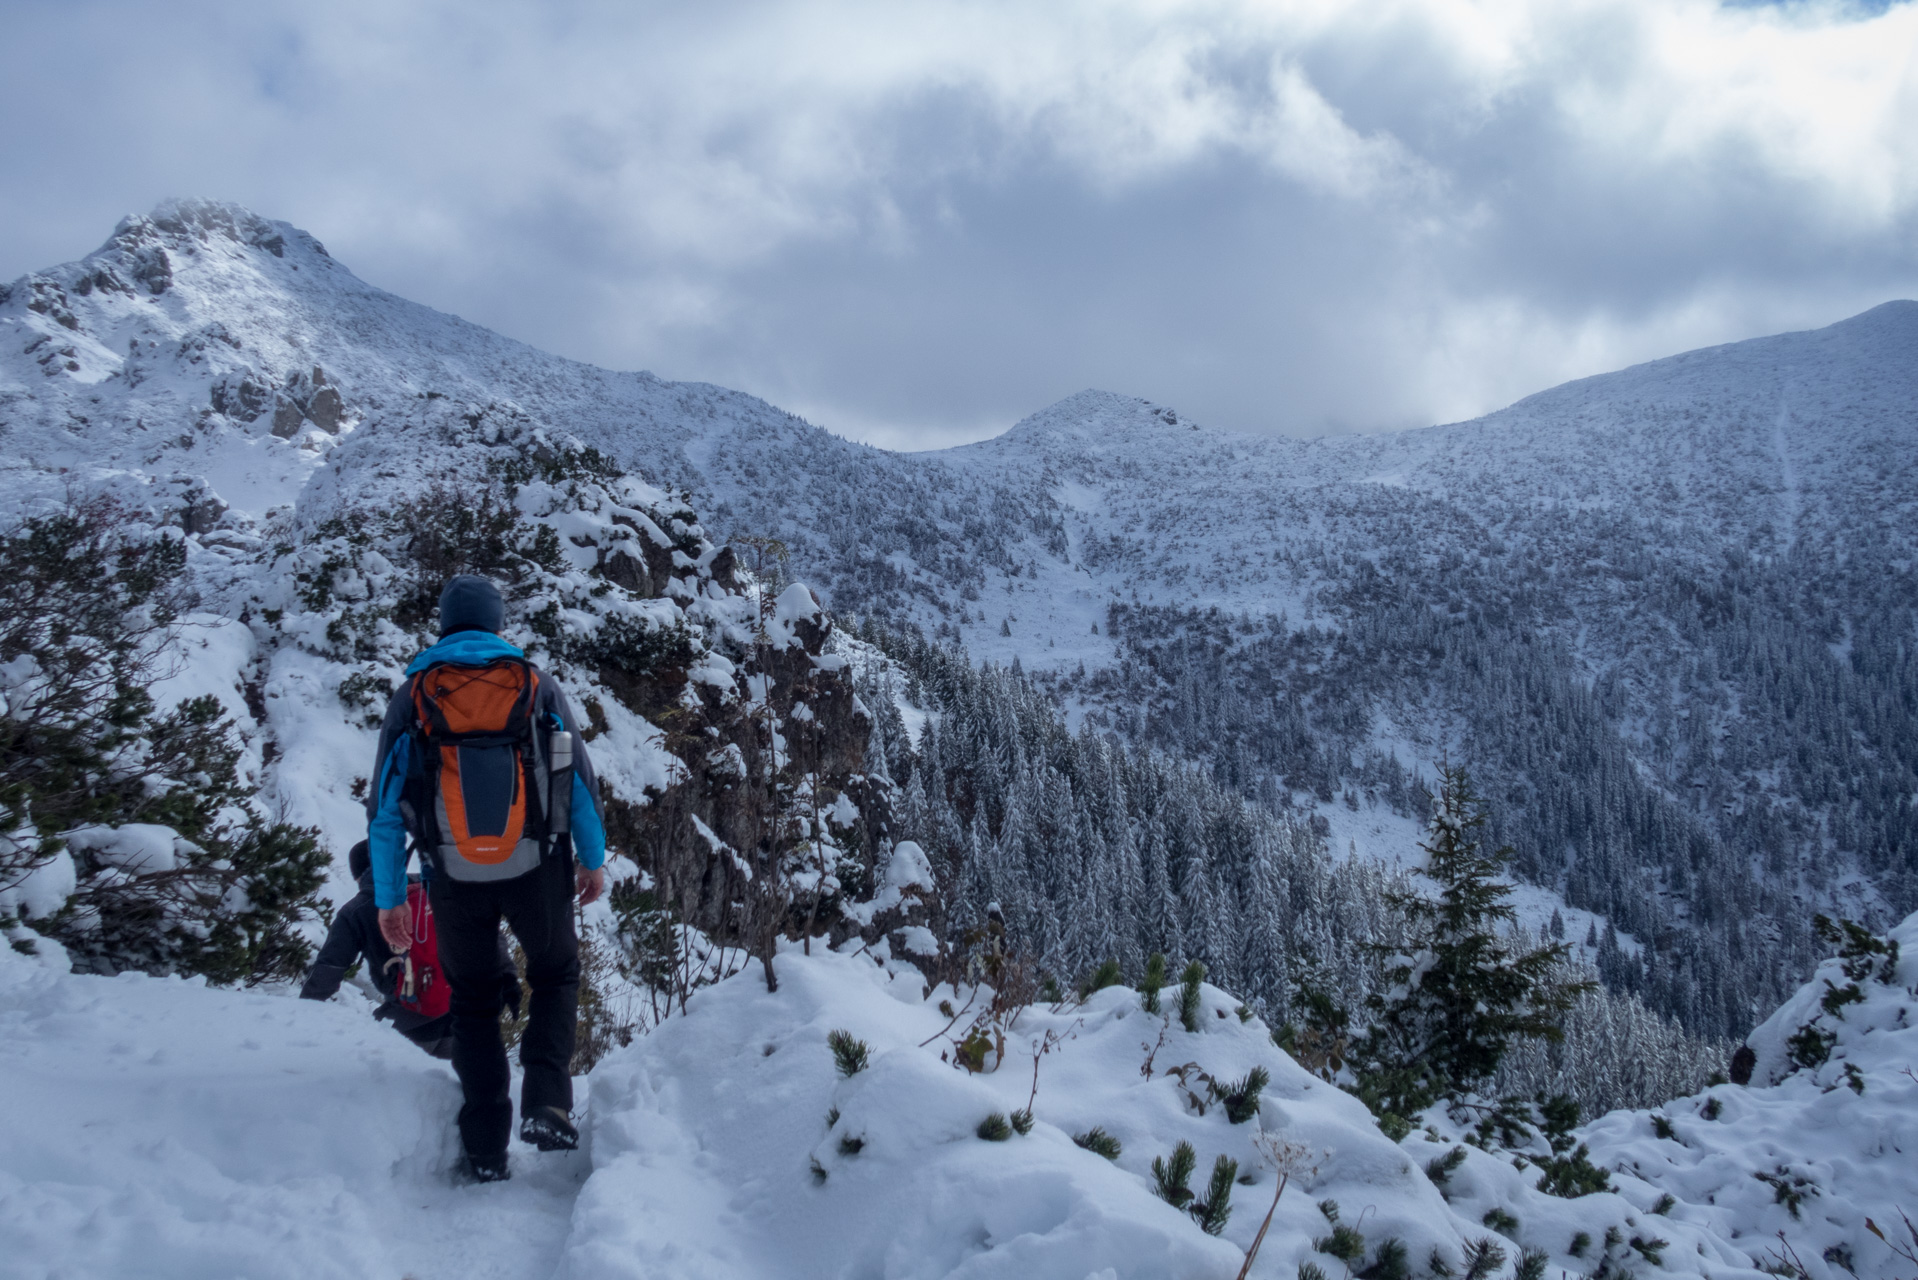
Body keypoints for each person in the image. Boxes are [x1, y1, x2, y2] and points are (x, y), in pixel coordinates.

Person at [366, 574, 608, 1183]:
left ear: (445, 625)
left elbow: (386, 810)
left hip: (450, 876)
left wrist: (391, 898)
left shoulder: (415, 696)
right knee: (556, 974)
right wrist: (591, 858)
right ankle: (548, 1102)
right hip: (536, 867)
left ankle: (483, 1148)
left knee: (473, 1004)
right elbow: (577, 780)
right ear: (497, 624)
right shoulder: (534, 687)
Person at [298, 839, 521, 1058]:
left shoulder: (355, 911)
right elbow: (485, 931)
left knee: (389, 1086)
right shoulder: (433, 886)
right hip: (463, 1009)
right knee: (450, 1088)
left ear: (357, 875)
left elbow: (329, 969)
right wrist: (507, 976)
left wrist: (301, 1015)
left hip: (412, 1021)